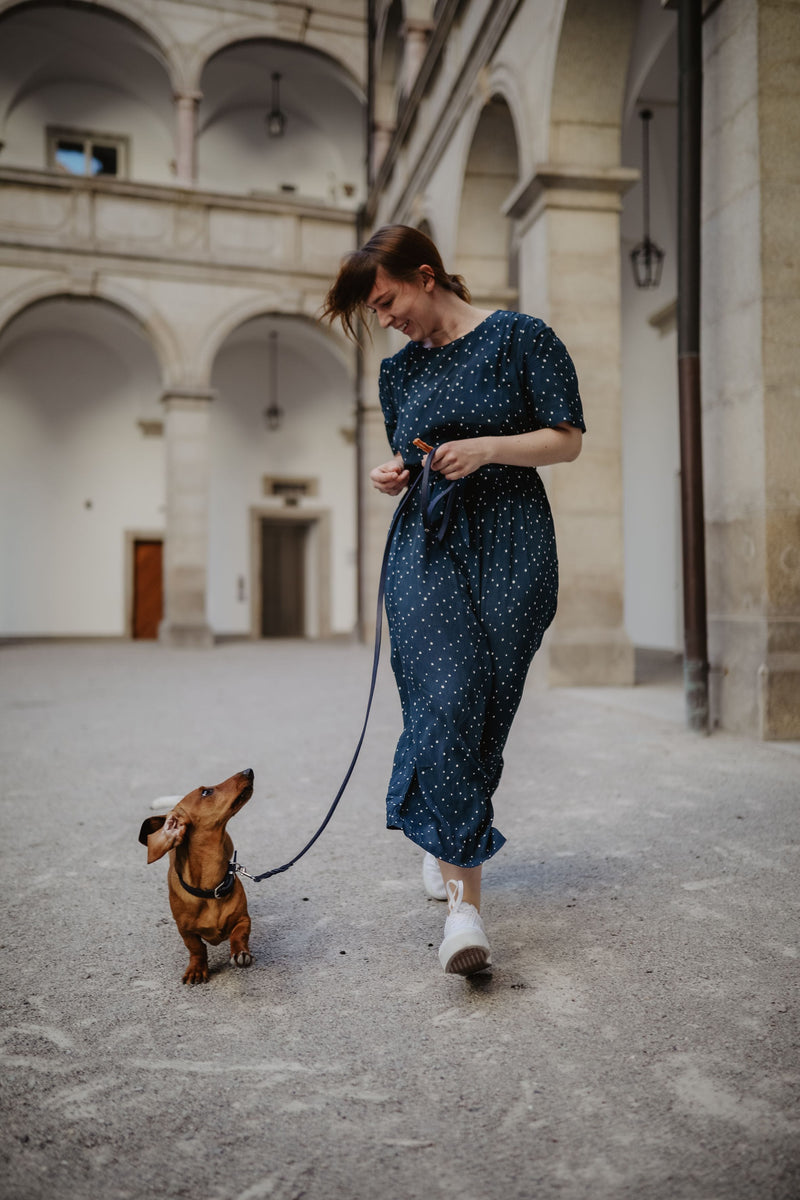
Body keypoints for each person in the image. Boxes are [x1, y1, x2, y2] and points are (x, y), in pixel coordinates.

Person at [322, 225, 585, 977]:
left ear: (427, 275)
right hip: (428, 543)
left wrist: (490, 447)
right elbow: (417, 448)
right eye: (374, 311)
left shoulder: (522, 338)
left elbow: (566, 440)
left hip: (513, 540)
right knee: (446, 692)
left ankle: (442, 834)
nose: (385, 318)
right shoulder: (397, 374)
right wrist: (400, 470)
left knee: (483, 710)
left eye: (388, 300)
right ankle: (466, 912)